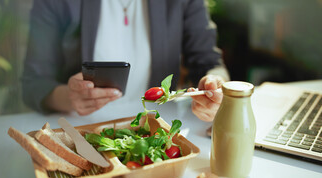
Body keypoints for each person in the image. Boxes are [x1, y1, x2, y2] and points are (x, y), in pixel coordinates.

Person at [21, 0, 229, 122]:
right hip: (78, 127)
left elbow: (208, 61)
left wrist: (215, 88)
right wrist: (69, 97)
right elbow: (33, 83)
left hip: (157, 128)